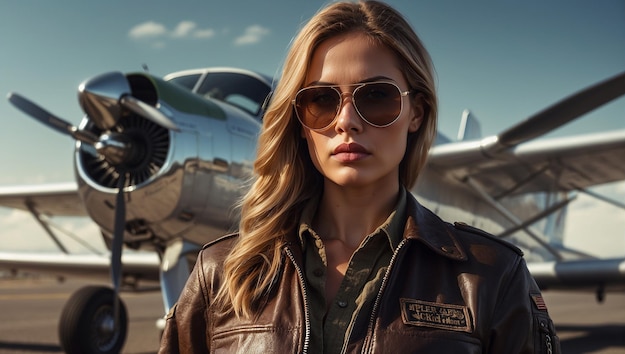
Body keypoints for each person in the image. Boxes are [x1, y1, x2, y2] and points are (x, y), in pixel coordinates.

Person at [159, 1, 560, 353]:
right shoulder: (218, 272)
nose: (346, 122)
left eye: (377, 96)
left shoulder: (493, 277)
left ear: (416, 113)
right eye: (321, 100)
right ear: (298, 120)